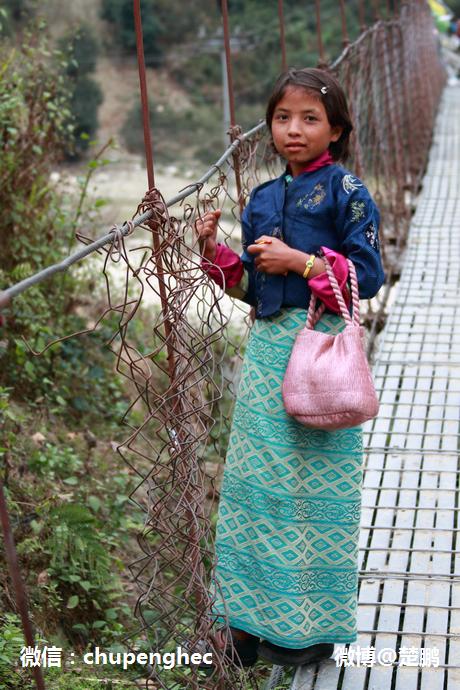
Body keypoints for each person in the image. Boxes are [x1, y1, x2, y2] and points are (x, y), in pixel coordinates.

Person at [196, 67, 384, 668]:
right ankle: (243, 630)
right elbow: (256, 288)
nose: (294, 129)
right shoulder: (262, 199)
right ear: (269, 126)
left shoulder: (347, 192)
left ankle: (306, 633)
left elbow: (368, 278)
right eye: (282, 118)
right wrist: (215, 254)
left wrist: (302, 262)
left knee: (314, 496)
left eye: (309, 118)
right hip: (268, 354)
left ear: (336, 128)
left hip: (324, 357)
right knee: (254, 494)